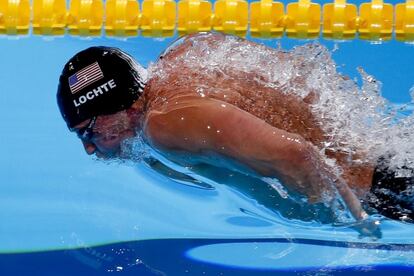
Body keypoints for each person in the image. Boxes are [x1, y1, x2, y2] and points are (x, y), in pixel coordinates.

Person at [56, 32, 412, 224]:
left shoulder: (161, 125)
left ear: (119, 108)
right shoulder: (184, 57)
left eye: (88, 131)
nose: (90, 147)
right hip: (389, 160)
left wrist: (359, 226)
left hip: (381, 195)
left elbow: (296, 153)